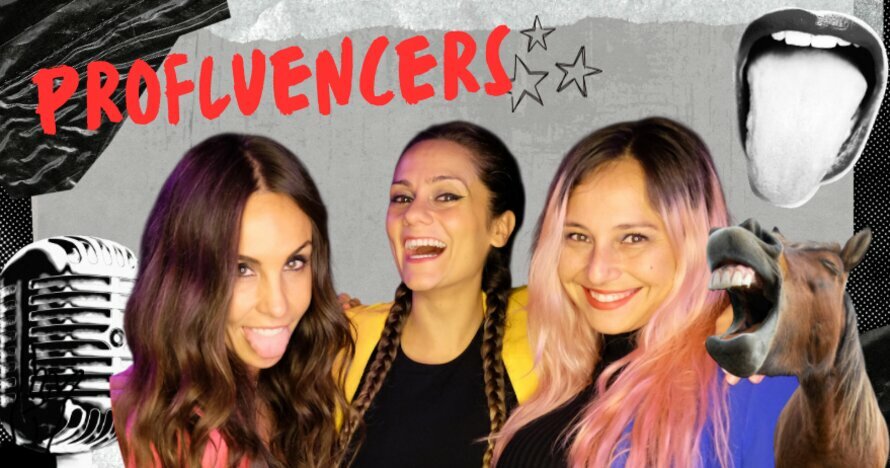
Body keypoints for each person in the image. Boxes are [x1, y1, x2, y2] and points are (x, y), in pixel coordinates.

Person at [493, 117, 797, 467]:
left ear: (692, 241)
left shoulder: (746, 376)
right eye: (578, 236)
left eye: (633, 238)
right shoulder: (560, 380)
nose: (597, 270)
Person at [110, 134, 353, 467]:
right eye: (242, 269)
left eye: (294, 262)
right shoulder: (137, 427)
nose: (278, 306)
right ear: (186, 276)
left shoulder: (301, 387)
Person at [338, 121, 534, 468]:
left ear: (499, 228)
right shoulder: (342, 343)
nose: (412, 214)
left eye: (446, 196)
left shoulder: (550, 334)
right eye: (402, 198)